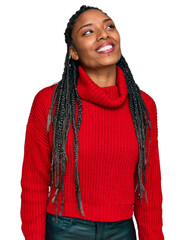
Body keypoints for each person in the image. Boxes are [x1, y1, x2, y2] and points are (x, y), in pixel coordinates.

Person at [20, 5, 164, 240]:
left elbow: (148, 188)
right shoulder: (50, 102)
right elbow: (33, 186)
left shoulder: (144, 106)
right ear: (74, 52)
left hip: (122, 231)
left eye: (109, 26)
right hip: (64, 230)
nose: (104, 34)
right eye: (88, 32)